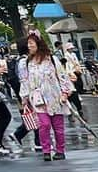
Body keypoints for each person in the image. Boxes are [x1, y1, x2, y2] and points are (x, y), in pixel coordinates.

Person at [20, 33, 74, 161]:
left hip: (55, 97)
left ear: (39, 44)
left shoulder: (52, 60)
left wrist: (65, 93)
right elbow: (25, 81)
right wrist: (24, 98)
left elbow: (63, 77)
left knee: (58, 127)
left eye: (31, 43)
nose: (29, 46)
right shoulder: (27, 62)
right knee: (44, 125)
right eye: (28, 44)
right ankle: (46, 150)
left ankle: (60, 150)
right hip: (38, 99)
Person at [62, 42, 85, 117]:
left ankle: (80, 110)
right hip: (70, 73)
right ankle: (70, 113)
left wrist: (78, 68)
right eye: (70, 48)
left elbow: (76, 62)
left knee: (78, 85)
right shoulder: (66, 56)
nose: (72, 49)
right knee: (70, 96)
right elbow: (67, 65)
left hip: (75, 71)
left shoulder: (74, 54)